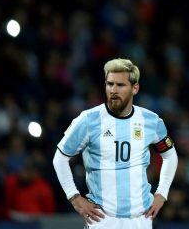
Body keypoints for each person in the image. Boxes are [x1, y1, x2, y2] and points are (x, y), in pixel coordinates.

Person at [52, 58, 178, 228]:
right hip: (102, 218)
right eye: (110, 84)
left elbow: (170, 156)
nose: (113, 90)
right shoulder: (88, 120)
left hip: (140, 218)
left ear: (135, 88)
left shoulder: (151, 121)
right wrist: (74, 198)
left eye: (120, 85)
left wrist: (162, 193)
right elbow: (60, 158)